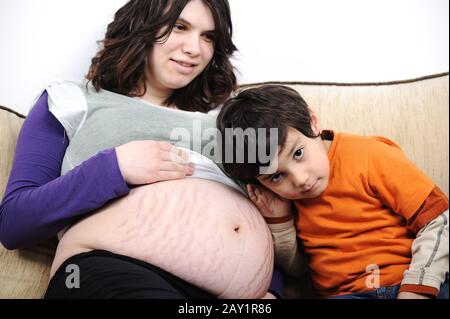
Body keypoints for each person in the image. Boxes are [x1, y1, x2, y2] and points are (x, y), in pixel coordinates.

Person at [0, 0, 282, 299]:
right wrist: (115, 167)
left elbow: (266, 210)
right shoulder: (72, 101)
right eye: (180, 27)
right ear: (140, 25)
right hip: (111, 271)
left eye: (209, 37)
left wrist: (270, 290)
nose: (194, 49)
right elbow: (15, 224)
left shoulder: (230, 120)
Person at [216, 84, 449, 299]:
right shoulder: (284, 199)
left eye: (298, 154)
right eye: (276, 176)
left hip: (409, 281)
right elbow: (298, 270)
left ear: (313, 121)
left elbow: (439, 220)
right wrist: (280, 223)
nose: (301, 180)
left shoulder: (370, 155)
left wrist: (418, 287)